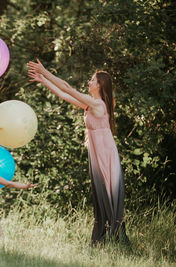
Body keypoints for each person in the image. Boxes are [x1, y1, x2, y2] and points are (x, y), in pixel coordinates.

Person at [27, 60, 129, 244]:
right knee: (100, 194)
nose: (89, 82)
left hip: (105, 156)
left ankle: (116, 238)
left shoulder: (98, 105)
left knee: (109, 193)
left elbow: (67, 88)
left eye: (92, 80)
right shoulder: (91, 104)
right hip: (97, 156)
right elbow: (64, 95)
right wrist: (43, 80)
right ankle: (104, 239)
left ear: (100, 85)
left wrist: (45, 70)